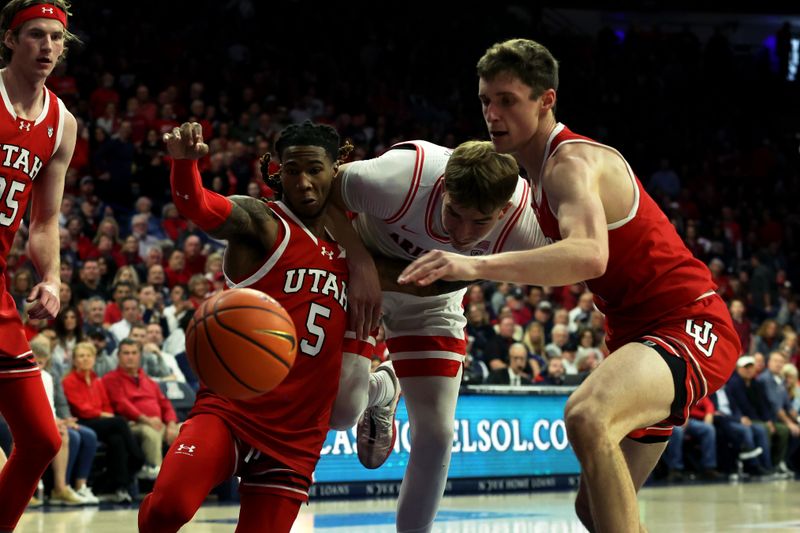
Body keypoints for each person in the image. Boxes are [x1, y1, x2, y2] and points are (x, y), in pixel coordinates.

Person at [398, 38, 741, 532]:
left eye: (507, 100)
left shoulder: (570, 164)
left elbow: (588, 254)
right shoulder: (533, 176)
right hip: (635, 336)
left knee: (586, 415)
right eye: (485, 100)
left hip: (689, 321)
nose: (492, 113)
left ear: (546, 100)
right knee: (592, 510)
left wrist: (471, 267)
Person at [138, 121, 372, 533]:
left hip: (298, 431)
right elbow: (202, 207)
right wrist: (185, 167)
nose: (302, 181)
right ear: (276, 172)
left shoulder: (358, 239)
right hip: (232, 409)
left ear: (336, 169)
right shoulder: (264, 222)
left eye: (314, 169)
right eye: (291, 170)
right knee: (168, 509)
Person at [328, 138, 547, 533]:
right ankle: (381, 390)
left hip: (433, 297)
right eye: (455, 214)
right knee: (340, 412)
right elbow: (320, 192)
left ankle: (386, 386)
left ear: (506, 209)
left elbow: (582, 264)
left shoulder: (529, 227)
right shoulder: (398, 177)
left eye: (480, 222)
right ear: (443, 187)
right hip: (361, 272)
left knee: (437, 434)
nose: (462, 234)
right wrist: (358, 262)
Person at [0, 1, 79, 528]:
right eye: (35, 35)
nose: (47, 46)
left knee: (43, 438)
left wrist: (51, 277)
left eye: (56, 37)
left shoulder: (61, 123)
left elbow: (45, 222)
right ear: (10, 39)